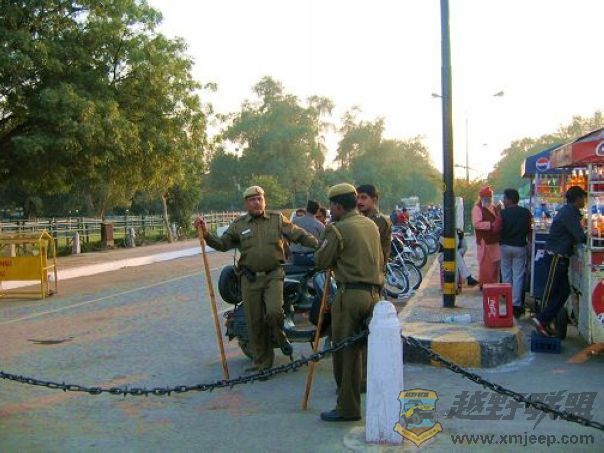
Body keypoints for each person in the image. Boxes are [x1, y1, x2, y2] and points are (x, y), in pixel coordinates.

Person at [194, 186, 318, 371]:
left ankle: (280, 336)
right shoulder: (239, 224)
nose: (257, 202)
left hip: (273, 275)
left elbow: (298, 234)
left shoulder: (277, 219)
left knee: (275, 312)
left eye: (260, 198)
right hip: (249, 279)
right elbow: (222, 244)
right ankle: (263, 363)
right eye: (252, 200)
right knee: (255, 322)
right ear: (246, 203)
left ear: (264, 201)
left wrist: (319, 245)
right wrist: (206, 234)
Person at [315, 183, 384, 422]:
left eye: (332, 206)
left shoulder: (338, 229)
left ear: (337, 206)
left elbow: (321, 261)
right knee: (365, 352)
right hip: (374, 294)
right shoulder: (371, 224)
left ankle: (347, 408)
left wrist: (326, 235)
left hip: (350, 295)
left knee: (345, 354)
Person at [532, 186, 587, 337]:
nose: (584, 200)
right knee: (550, 290)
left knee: (564, 291)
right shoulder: (568, 213)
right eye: (583, 197)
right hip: (556, 256)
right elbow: (580, 236)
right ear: (578, 198)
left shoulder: (570, 212)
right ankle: (541, 320)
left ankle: (545, 319)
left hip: (561, 257)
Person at [499, 188, 532, 319]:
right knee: (518, 276)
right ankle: (516, 304)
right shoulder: (526, 213)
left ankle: (507, 301)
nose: (503, 201)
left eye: (505, 198)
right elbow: (529, 230)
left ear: (510, 199)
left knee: (506, 275)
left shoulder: (503, 213)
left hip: (505, 247)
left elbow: (497, 228)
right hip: (520, 247)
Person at [471, 186, 502, 285]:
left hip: (495, 240)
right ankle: (485, 284)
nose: (488, 199)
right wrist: (490, 225)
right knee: (486, 264)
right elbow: (476, 223)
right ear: (481, 198)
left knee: (495, 263)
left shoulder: (493, 207)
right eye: (486, 198)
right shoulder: (477, 208)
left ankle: (494, 284)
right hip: (485, 240)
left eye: (489, 197)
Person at [356, 184, 392, 265]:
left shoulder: (379, 220)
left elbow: (365, 245)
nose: (359, 202)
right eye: (357, 198)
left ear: (374, 200)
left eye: (363, 197)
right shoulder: (364, 219)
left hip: (373, 267)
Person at [290, 200, 325, 266]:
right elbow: (322, 244)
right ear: (317, 211)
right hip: (311, 258)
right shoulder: (320, 225)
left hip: (295, 257)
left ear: (306, 208)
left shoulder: (294, 222)